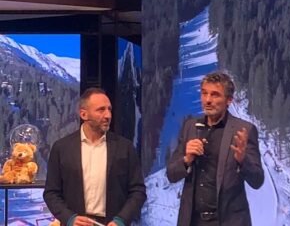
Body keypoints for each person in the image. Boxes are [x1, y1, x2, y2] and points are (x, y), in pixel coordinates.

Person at [167, 71, 264, 226]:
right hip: (193, 221)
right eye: (204, 93)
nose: (207, 100)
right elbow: (171, 174)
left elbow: (257, 180)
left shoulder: (243, 130)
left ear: (229, 100)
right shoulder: (190, 127)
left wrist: (242, 161)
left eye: (215, 95)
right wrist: (186, 160)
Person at [44, 87, 147, 226]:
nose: (108, 115)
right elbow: (51, 193)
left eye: (109, 109)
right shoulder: (62, 148)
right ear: (84, 114)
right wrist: (69, 218)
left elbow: (138, 191)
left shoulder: (125, 148)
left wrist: (121, 220)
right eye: (101, 110)